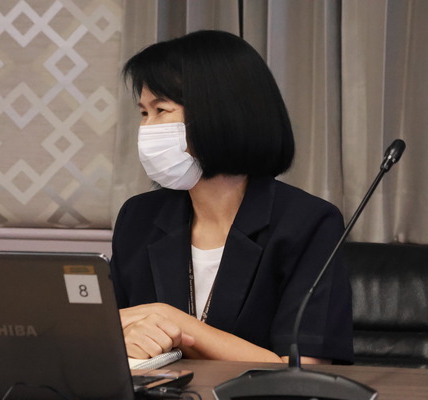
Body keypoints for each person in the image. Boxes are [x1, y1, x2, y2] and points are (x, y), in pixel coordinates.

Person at [110, 30, 353, 365]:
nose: (148, 128)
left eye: (161, 110)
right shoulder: (138, 217)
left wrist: (173, 321)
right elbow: (108, 331)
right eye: (143, 113)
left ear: (219, 113)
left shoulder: (308, 222)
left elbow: (303, 369)